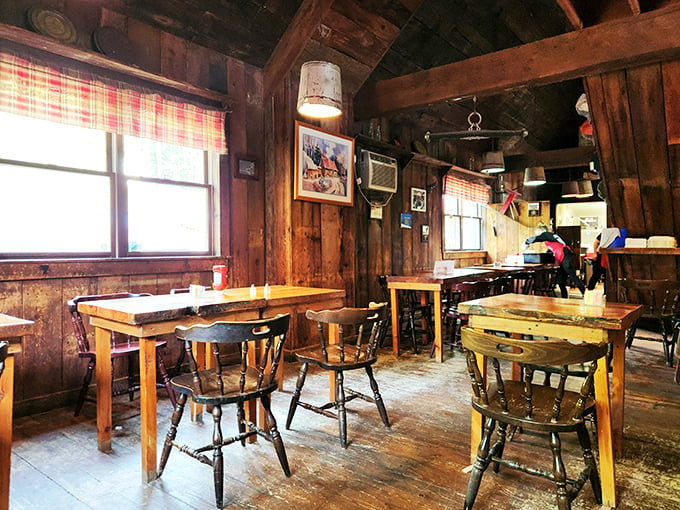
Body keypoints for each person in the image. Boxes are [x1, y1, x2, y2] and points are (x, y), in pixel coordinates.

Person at [524, 225, 585, 298]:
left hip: (564, 254)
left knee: (572, 275)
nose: (537, 234)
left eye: (537, 233)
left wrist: (527, 242)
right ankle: (564, 297)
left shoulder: (546, 234)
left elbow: (537, 238)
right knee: (561, 280)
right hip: (564, 255)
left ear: (542, 231)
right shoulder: (550, 237)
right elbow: (550, 250)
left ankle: (584, 292)